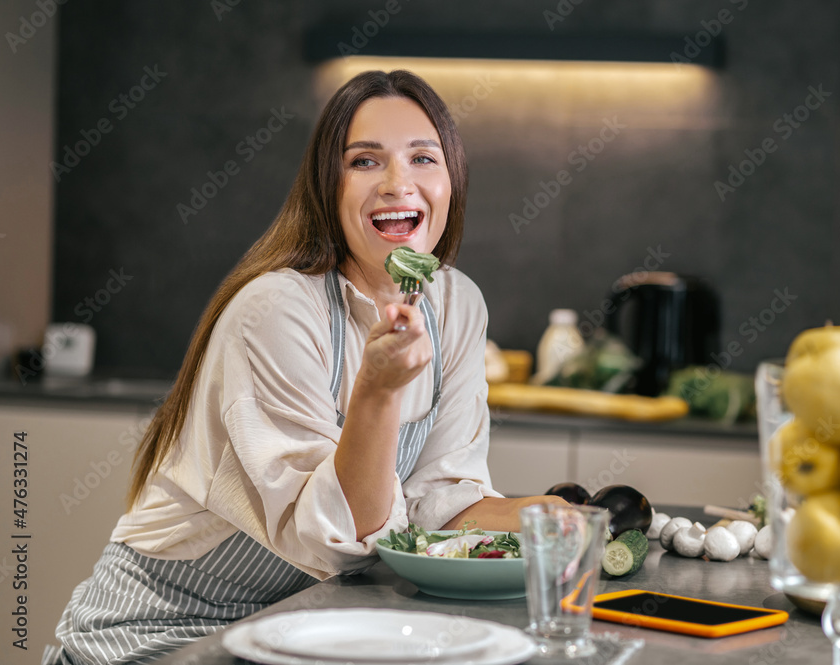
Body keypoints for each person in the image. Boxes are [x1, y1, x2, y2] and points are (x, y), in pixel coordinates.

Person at [43, 69, 564, 665]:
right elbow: (338, 541)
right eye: (365, 161)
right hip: (159, 636)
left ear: (453, 182)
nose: (399, 183)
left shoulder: (457, 303)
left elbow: (436, 504)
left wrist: (555, 519)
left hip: (298, 630)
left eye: (424, 158)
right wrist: (377, 392)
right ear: (327, 185)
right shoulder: (276, 308)